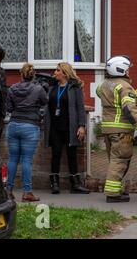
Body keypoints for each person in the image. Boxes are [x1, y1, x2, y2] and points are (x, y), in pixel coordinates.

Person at [96, 56, 137, 203]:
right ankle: (113, 194)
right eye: (127, 68)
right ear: (121, 69)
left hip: (107, 129)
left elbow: (110, 100)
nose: (128, 71)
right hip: (122, 130)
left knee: (113, 160)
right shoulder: (125, 87)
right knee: (119, 161)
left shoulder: (102, 85)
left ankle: (117, 189)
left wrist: (134, 97)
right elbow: (128, 109)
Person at [45, 62, 90, 194]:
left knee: (71, 155)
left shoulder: (74, 88)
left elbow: (80, 108)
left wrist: (82, 126)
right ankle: (54, 183)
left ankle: (75, 184)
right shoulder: (52, 87)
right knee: (56, 154)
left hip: (70, 126)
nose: (55, 72)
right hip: (55, 127)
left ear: (64, 73)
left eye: (58, 70)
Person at [6, 63, 48, 202]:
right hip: (30, 125)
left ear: (21, 74)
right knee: (27, 160)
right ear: (33, 75)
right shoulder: (38, 89)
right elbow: (45, 102)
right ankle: (27, 192)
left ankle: (8, 191)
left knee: (12, 159)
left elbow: (9, 108)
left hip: (13, 124)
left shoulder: (12, 88)